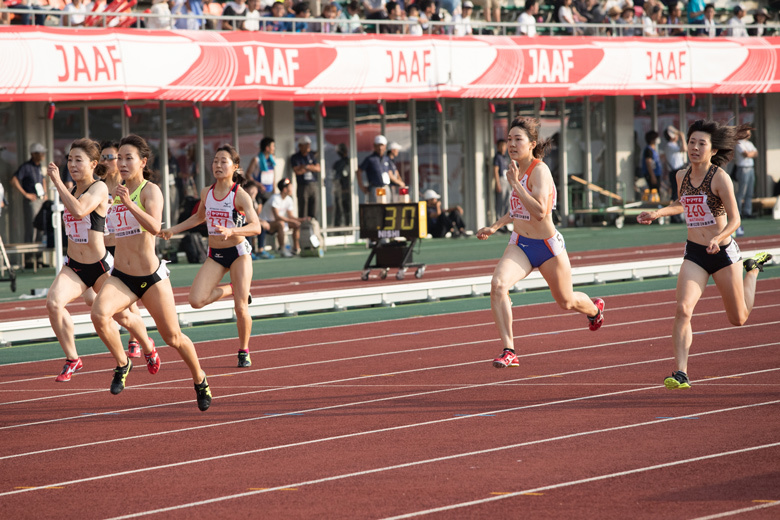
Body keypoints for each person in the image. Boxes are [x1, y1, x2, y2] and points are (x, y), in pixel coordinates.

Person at [637, 120, 772, 390]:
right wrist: (657, 213)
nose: (695, 148)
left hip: (722, 252)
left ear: (712, 150)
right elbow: (681, 203)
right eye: (692, 142)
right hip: (695, 253)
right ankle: (680, 372)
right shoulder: (681, 176)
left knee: (738, 318)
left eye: (702, 143)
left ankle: (753, 269)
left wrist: (718, 238)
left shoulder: (719, 177)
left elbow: (735, 219)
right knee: (683, 309)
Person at [90, 134, 212, 411]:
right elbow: (115, 235)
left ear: (143, 162)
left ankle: (200, 379)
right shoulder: (112, 191)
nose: (121, 162)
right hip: (122, 276)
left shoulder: (149, 191)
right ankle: (123, 362)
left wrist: (129, 204)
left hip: (151, 277)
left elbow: (155, 228)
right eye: (118, 157)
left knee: (173, 338)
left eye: (128, 158)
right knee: (98, 314)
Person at [476, 116, 605, 369]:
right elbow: (518, 209)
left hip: (547, 248)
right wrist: (495, 226)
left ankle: (594, 309)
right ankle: (509, 350)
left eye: (518, 139)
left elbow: (539, 211)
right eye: (509, 139)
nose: (511, 144)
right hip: (520, 244)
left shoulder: (540, 170)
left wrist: (515, 184)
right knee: (498, 284)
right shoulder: (516, 168)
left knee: (565, 302)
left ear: (532, 144)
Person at [46, 139, 160, 383]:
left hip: (99, 266)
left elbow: (78, 211)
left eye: (79, 160)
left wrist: (57, 183)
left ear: (93, 164)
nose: (72, 165)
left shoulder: (98, 189)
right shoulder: (72, 189)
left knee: (124, 317)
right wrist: (63, 186)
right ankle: (72, 358)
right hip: (74, 266)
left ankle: (148, 345)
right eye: (69, 160)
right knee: (54, 302)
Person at [161, 144, 264, 368]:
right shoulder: (206, 192)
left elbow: (256, 227)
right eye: (215, 161)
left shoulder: (240, 195)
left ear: (235, 167)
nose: (217, 165)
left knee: (240, 308)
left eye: (223, 161)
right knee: (195, 301)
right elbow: (198, 218)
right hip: (215, 254)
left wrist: (232, 231)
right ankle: (233, 289)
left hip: (238, 253)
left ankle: (243, 350)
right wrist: (173, 230)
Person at [98, 141, 145, 357]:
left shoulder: (127, 187)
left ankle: (135, 340)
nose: (107, 162)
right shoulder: (97, 186)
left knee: (128, 297)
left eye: (112, 157)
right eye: (104, 158)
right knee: (99, 299)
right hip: (102, 247)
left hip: (124, 248)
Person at [11, 142, 47, 246]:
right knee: (32, 228)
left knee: (41, 227)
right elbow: (14, 180)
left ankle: (39, 258)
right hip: (32, 201)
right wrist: (26, 194)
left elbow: (43, 179)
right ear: (34, 154)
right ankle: (29, 259)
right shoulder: (26, 167)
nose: (43, 155)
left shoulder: (39, 166)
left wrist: (45, 193)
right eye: (41, 153)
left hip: (41, 199)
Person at [259, 177, 305, 256]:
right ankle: (282, 249)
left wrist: (302, 219)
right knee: (280, 224)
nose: (292, 188)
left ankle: (296, 248)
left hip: (277, 222)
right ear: (284, 189)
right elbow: (277, 217)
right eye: (290, 187)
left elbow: (291, 216)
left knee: (296, 225)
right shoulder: (275, 198)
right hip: (266, 222)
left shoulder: (289, 199)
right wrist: (291, 221)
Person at [290, 135, 320, 219]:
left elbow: (318, 168)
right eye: (305, 144)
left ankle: (313, 227)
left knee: (314, 208)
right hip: (302, 185)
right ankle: (303, 229)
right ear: (300, 146)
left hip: (313, 184)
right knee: (303, 209)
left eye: (308, 144)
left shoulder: (311, 156)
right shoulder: (295, 157)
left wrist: (305, 167)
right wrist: (310, 167)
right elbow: (297, 171)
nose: (308, 146)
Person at [662, 125, 687, 222]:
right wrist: (682, 136)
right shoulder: (670, 145)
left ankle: (676, 215)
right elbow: (684, 148)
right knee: (676, 194)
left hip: (676, 171)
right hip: (675, 171)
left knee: (678, 193)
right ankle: (674, 216)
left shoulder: (672, 145)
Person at [358, 135, 393, 202]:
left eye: (382, 145)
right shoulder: (370, 159)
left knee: (388, 209)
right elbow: (359, 171)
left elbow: (390, 173)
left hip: (386, 187)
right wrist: (361, 187)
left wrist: (399, 183)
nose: (380, 148)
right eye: (378, 145)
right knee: (376, 209)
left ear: (385, 146)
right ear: (374, 146)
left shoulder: (387, 159)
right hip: (375, 188)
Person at [734, 129, 757, 221]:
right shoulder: (739, 143)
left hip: (751, 168)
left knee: (750, 192)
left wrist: (750, 153)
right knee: (741, 192)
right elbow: (745, 154)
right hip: (742, 168)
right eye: (747, 132)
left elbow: (756, 153)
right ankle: (738, 212)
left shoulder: (750, 144)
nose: (749, 134)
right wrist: (751, 153)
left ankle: (748, 212)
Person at [331, 143, 352, 227]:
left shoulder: (350, 162)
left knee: (347, 211)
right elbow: (336, 177)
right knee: (339, 211)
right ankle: (338, 229)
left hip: (347, 190)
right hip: (341, 191)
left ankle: (348, 227)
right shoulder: (339, 163)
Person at [493, 138, 510, 230]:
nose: (503, 148)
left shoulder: (506, 157)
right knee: (500, 201)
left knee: (507, 201)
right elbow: (495, 170)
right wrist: (497, 183)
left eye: (505, 146)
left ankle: (505, 222)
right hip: (501, 180)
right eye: (501, 146)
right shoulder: (497, 157)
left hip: (507, 180)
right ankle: (499, 223)